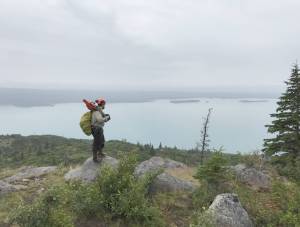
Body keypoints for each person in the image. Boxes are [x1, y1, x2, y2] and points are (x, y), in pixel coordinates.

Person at [91, 98, 110, 162]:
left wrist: (105, 117)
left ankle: (100, 153)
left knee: (101, 141)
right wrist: (106, 118)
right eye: (104, 104)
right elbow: (100, 120)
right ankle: (95, 158)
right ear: (101, 104)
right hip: (97, 129)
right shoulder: (96, 111)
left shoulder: (99, 110)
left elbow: (101, 119)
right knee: (96, 143)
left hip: (98, 128)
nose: (104, 105)